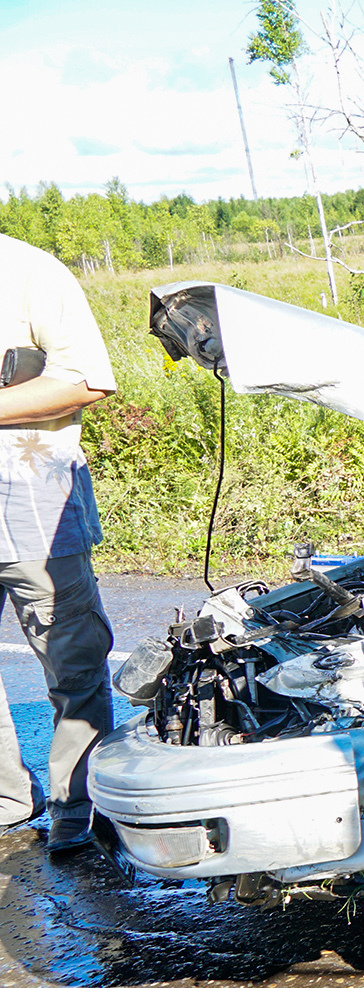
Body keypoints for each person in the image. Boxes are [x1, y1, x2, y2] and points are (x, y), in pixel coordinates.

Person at [0, 234, 118, 854]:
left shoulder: (27, 271)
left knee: (70, 661)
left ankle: (80, 804)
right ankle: (6, 800)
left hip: (31, 507)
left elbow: (87, 380)